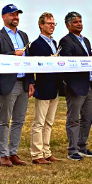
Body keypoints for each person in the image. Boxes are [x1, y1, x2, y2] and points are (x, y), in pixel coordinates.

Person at [0, 4, 34, 167]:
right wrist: (12, 54)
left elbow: (28, 60)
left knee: (19, 120)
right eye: (12, 15)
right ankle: (3, 155)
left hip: (23, 82)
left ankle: (14, 153)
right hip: (8, 83)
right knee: (5, 120)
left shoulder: (24, 35)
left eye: (17, 15)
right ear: (3, 17)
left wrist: (31, 81)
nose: (15, 17)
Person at [59, 11, 92, 161]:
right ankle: (72, 149)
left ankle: (82, 146)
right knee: (74, 118)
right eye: (76, 22)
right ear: (68, 25)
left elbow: (91, 62)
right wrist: (69, 84)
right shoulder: (65, 42)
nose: (79, 24)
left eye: (80, 21)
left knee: (88, 118)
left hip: (89, 84)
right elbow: (68, 64)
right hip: (76, 86)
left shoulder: (87, 41)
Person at [29, 12, 64, 164]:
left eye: (53, 24)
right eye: (49, 23)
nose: (52, 26)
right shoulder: (36, 44)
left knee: (49, 122)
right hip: (43, 85)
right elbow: (33, 64)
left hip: (55, 85)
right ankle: (37, 154)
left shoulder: (54, 43)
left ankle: (46, 151)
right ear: (41, 25)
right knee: (39, 122)